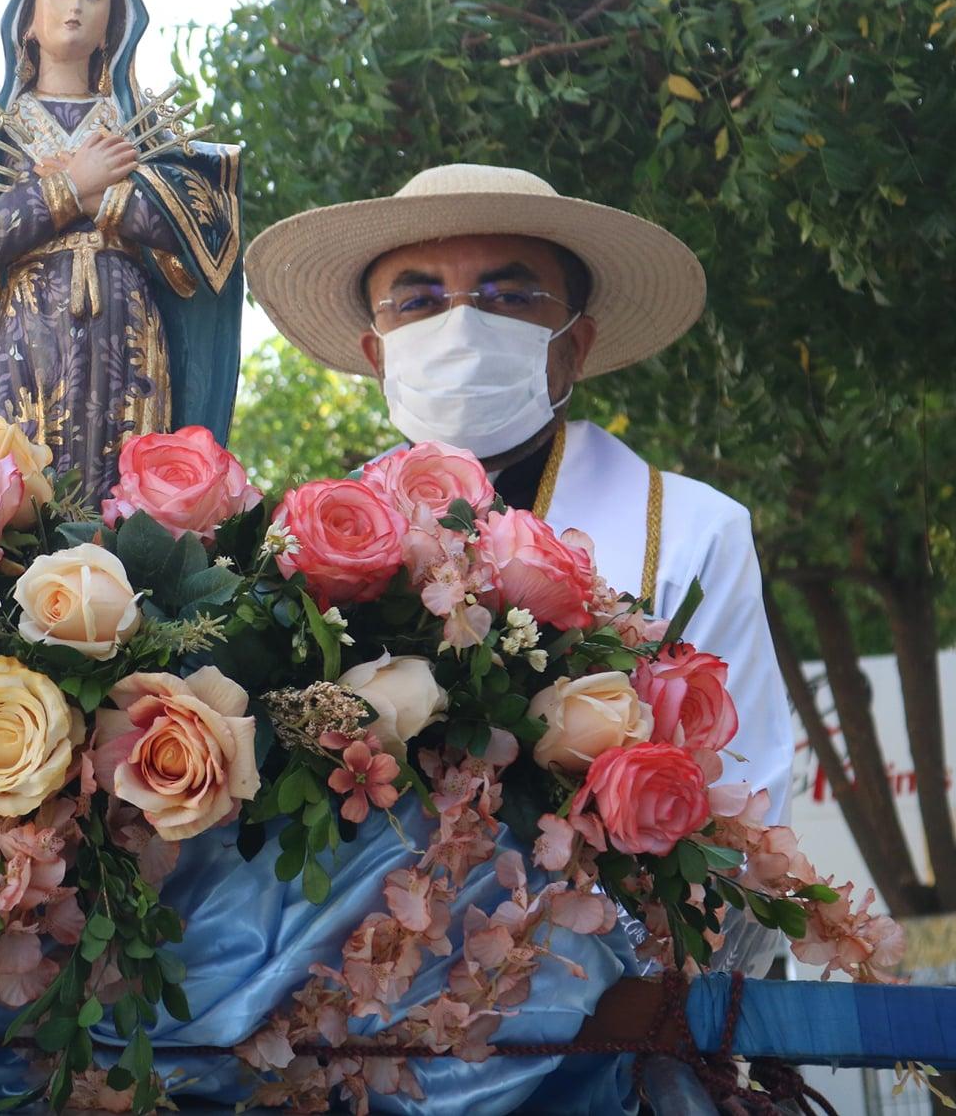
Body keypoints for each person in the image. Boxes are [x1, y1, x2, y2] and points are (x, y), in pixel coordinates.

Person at [245, 163, 794, 830]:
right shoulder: (306, 548)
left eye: (508, 294)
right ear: (377, 354)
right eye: (418, 302)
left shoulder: (693, 534)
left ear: (576, 345)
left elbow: (745, 801)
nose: (461, 327)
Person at [0, 0, 243, 495]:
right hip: (27, 328)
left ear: (113, 25)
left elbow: (197, 239)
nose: (76, 6)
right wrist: (70, 189)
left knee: (125, 487)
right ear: (29, 21)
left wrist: (104, 199)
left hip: (126, 323)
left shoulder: (144, 128)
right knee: (20, 487)